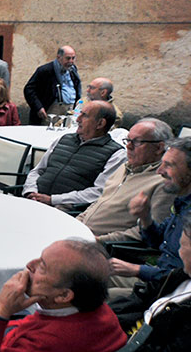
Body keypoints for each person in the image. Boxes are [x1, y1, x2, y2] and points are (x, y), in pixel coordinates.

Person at [109, 214, 191, 352]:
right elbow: (145, 298)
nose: (179, 252)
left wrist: (119, 344)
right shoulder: (182, 276)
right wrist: (106, 318)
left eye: (182, 246)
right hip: (134, 340)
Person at [109, 137, 191, 287]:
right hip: (154, 280)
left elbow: (183, 275)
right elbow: (156, 241)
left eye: (169, 165)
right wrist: (145, 217)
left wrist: (137, 270)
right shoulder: (182, 202)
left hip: (167, 291)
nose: (160, 171)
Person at [77, 118, 174, 245]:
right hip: (81, 234)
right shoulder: (125, 167)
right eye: (128, 140)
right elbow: (100, 202)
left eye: (137, 142)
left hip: (106, 247)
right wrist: (75, 223)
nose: (128, 146)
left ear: (159, 148)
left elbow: (149, 232)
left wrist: (101, 241)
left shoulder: (163, 182)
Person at [22, 101, 125, 209]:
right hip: (33, 200)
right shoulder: (64, 139)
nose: (77, 119)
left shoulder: (115, 154)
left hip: (65, 209)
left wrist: (52, 199)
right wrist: (31, 191)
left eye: (84, 115)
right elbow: (37, 170)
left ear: (100, 124)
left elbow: (99, 192)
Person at [23, 46, 80, 125]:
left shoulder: (73, 70)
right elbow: (29, 89)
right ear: (59, 57)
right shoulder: (46, 70)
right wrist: (38, 107)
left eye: (73, 58)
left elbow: (77, 86)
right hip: (52, 109)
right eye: (68, 58)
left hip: (69, 109)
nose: (71, 61)